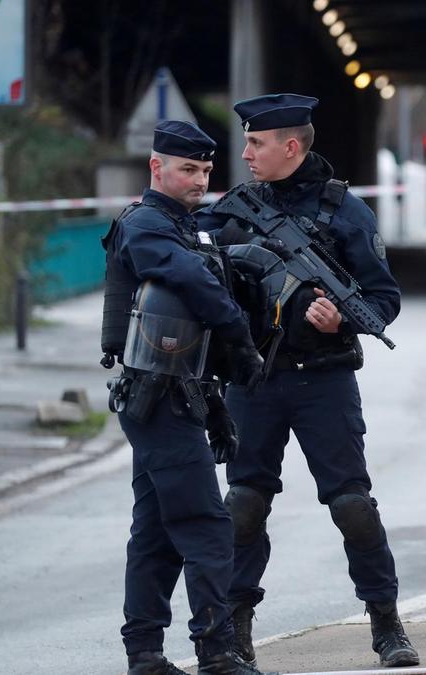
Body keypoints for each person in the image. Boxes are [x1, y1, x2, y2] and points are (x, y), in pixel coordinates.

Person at [194, 94, 418, 668]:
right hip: (254, 377)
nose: (244, 154)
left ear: (290, 146)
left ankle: (387, 624)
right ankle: (236, 629)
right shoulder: (234, 207)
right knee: (243, 505)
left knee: (352, 506)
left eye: (256, 144)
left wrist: (343, 316)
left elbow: (384, 297)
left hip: (324, 378)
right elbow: (191, 255)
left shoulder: (346, 211)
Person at [102, 121, 264, 675]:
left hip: (179, 394)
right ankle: (216, 650)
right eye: (188, 170)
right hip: (157, 397)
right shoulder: (147, 225)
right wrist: (239, 333)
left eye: (204, 170)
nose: (199, 180)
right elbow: (187, 278)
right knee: (205, 524)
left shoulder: (183, 224)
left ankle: (144, 652)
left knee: (155, 530)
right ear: (157, 169)